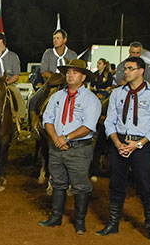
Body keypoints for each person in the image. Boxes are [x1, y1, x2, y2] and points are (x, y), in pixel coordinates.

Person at [99, 56, 150, 243]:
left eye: (130, 68)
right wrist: (117, 142)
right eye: (125, 68)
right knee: (116, 184)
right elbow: (110, 121)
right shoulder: (117, 94)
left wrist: (138, 144)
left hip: (141, 146)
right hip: (119, 143)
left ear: (141, 70)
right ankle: (113, 224)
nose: (125, 72)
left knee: (146, 186)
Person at [38, 59, 102, 234]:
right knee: (58, 182)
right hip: (57, 146)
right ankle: (55, 217)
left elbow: (88, 126)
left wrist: (66, 138)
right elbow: (47, 119)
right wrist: (56, 138)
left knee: (80, 185)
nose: (70, 75)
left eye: (74, 72)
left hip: (78, 148)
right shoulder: (57, 97)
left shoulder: (91, 99)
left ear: (83, 77)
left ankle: (80, 221)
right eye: (68, 72)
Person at [0, 32, 24, 128]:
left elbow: (16, 75)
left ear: (0, 41)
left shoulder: (13, 56)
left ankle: (19, 122)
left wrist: (6, 83)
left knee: (19, 98)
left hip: (8, 84)